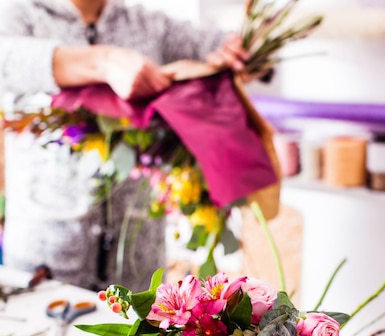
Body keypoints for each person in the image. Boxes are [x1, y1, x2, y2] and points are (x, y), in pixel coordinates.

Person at [0, 0, 248, 291]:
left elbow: (230, 49)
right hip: (44, 254)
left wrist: (239, 51)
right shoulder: (21, 13)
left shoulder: (147, 24)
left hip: (137, 261)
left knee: (138, 333)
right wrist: (104, 62)